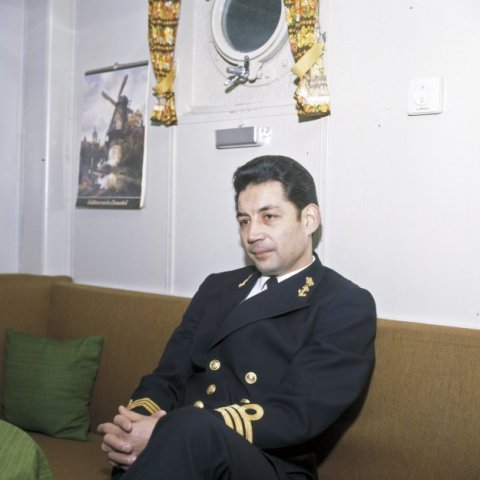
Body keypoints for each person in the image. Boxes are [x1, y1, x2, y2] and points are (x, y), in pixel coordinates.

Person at [98, 155, 376, 479]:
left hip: (268, 465)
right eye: (244, 220)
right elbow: (167, 377)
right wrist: (134, 424)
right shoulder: (217, 287)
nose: (252, 234)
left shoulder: (343, 303)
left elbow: (298, 413)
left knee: (190, 429)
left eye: (269, 217)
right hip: (183, 448)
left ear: (309, 219)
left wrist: (164, 431)